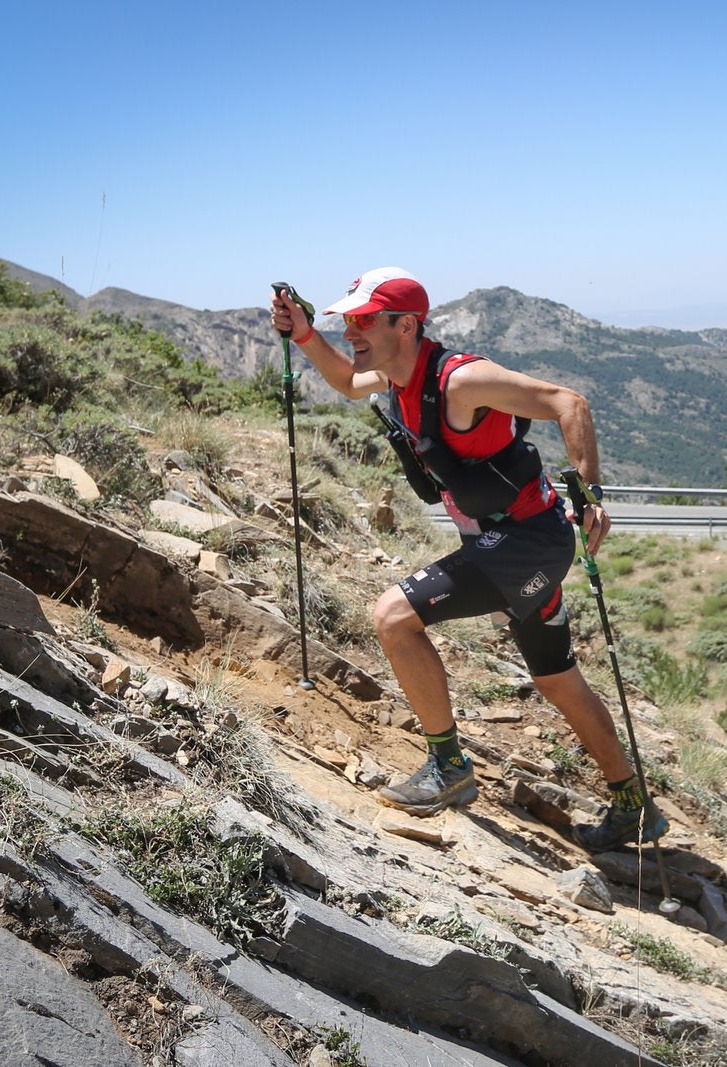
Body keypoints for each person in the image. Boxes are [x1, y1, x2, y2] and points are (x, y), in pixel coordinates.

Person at [269, 267, 667, 853]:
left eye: (362, 319)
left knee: (394, 617)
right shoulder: (392, 372)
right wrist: (305, 334)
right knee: (557, 680)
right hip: (510, 545)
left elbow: (568, 401)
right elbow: (348, 382)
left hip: (525, 542)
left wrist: (591, 492)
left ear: (405, 325)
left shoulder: (461, 380)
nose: (351, 330)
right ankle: (634, 806)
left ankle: (449, 768)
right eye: (347, 320)